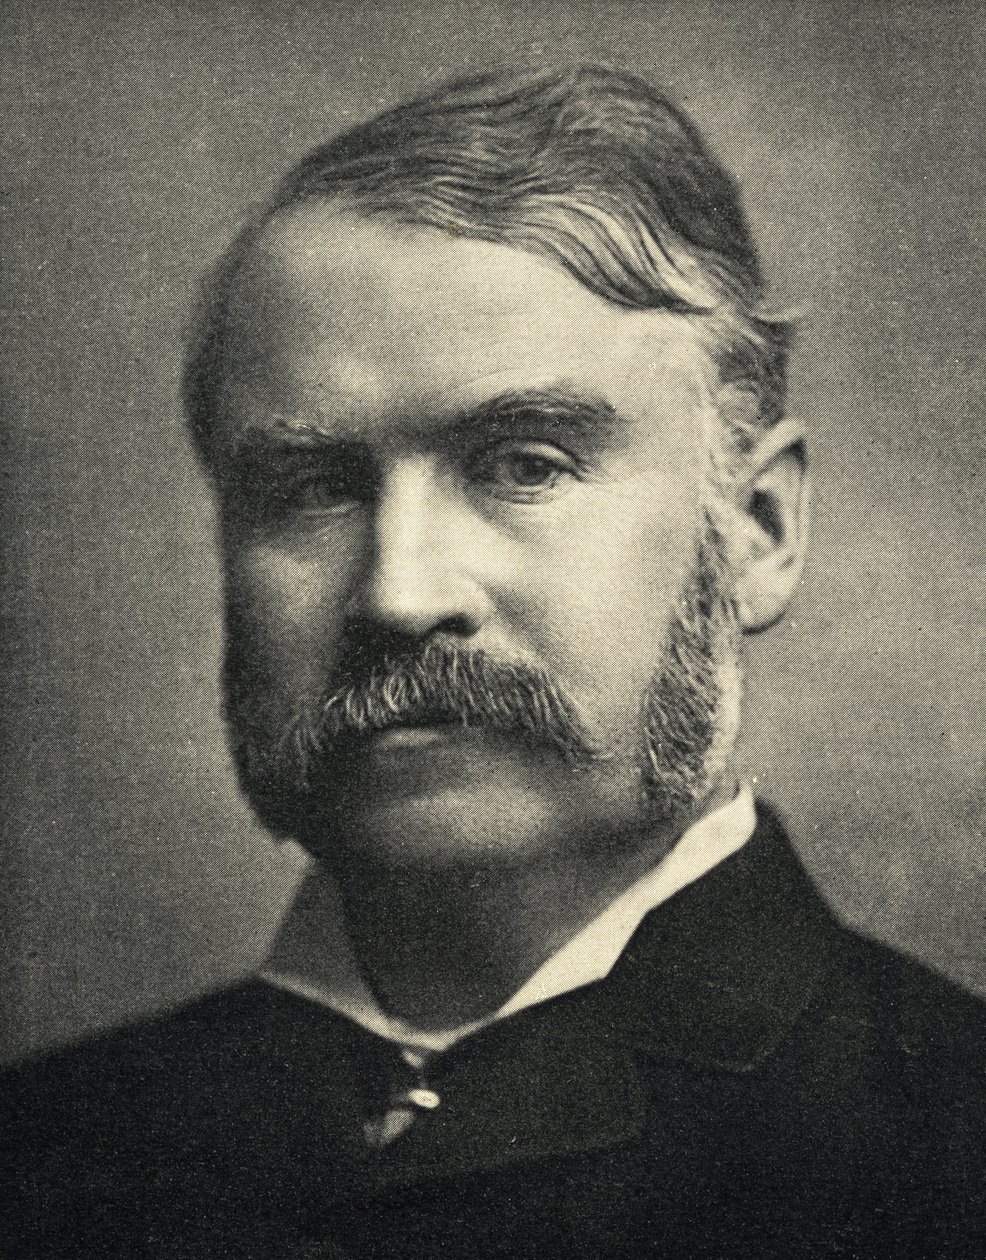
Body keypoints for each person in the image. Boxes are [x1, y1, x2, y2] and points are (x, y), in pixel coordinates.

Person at [3, 64, 984, 1260]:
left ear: (756, 532)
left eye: (524, 464)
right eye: (313, 488)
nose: (399, 593)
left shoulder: (948, 1156)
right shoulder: (40, 1155)